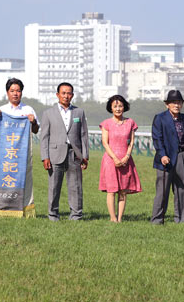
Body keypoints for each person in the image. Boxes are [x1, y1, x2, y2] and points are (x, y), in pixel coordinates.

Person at [40, 82, 89, 221]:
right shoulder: (48, 113)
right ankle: (53, 214)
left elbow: (84, 135)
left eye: (69, 93)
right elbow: (44, 137)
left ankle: (76, 214)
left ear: (72, 95)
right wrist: (45, 157)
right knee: (54, 186)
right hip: (55, 154)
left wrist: (85, 156)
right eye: (63, 93)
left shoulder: (79, 112)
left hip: (74, 154)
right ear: (57, 95)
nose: (66, 96)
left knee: (75, 186)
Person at [151, 90, 184, 224]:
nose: (177, 105)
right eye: (173, 102)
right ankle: (157, 219)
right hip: (166, 159)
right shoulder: (159, 118)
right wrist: (163, 155)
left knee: (181, 190)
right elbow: (157, 139)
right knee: (162, 191)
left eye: (179, 102)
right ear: (167, 104)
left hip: (182, 157)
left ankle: (181, 219)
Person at [99, 95, 142, 222]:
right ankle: (113, 218)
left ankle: (120, 218)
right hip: (110, 160)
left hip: (126, 160)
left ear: (124, 107)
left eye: (120, 106)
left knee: (123, 190)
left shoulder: (130, 123)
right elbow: (105, 143)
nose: (118, 109)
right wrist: (115, 158)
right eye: (115, 106)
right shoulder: (106, 123)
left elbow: (131, 142)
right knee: (111, 190)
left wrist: (126, 157)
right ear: (111, 108)